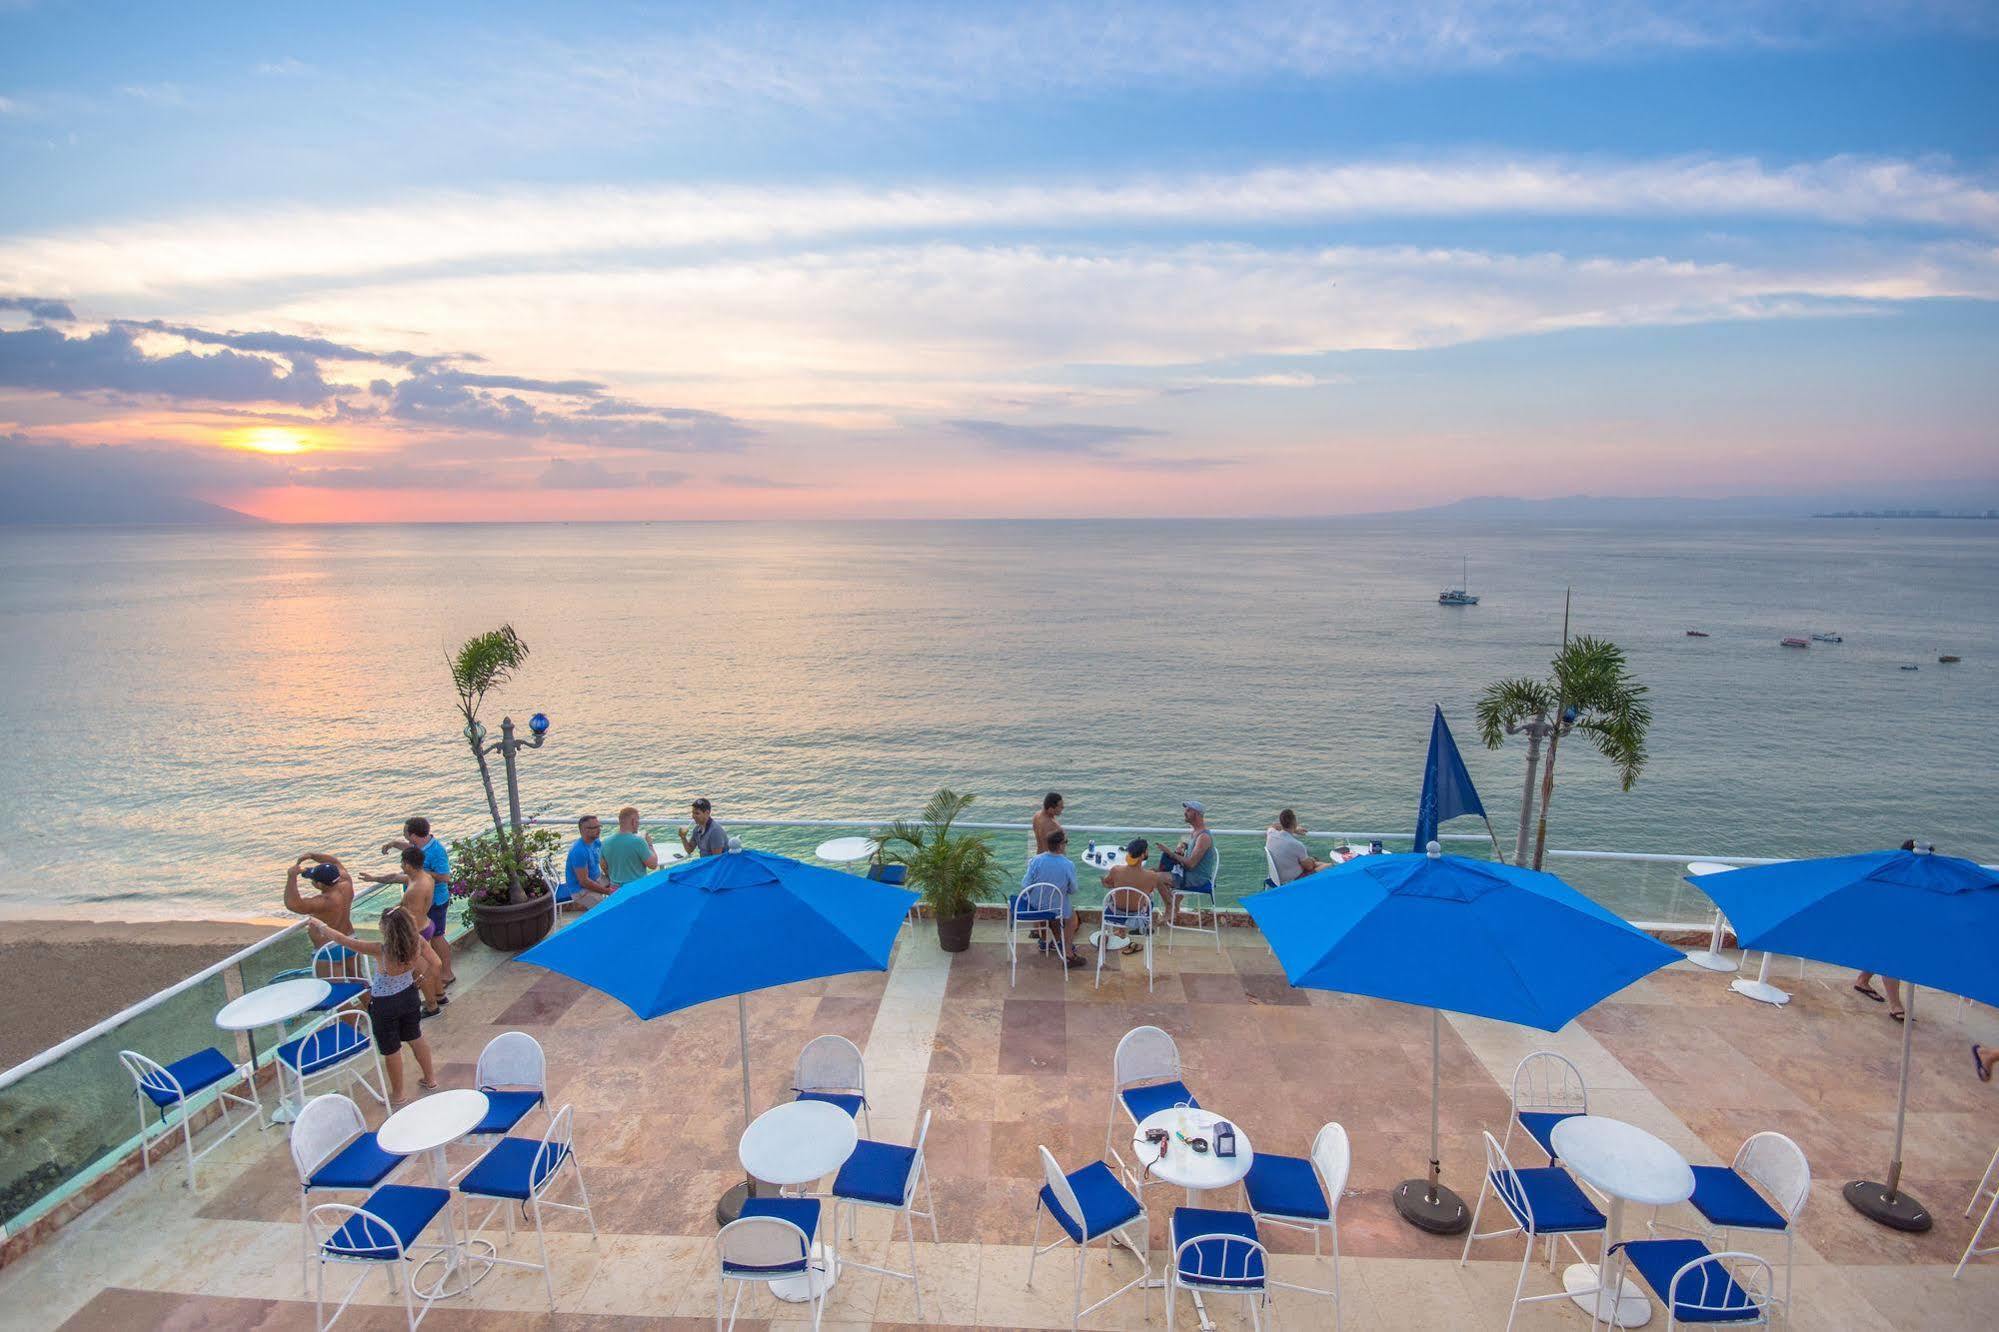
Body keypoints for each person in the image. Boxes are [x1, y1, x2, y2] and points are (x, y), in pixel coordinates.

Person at [308, 909, 439, 1106]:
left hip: (385, 1005)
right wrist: (421, 978)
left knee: (391, 1049)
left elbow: (344, 940)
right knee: (415, 1037)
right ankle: (430, 1079)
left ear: (387, 929)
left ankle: (398, 1094)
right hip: (409, 996)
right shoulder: (417, 942)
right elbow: (436, 963)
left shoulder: (381, 950)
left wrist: (321, 926)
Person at [359, 847, 449, 1015]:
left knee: (421, 972)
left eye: (402, 863)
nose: (401, 866)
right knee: (428, 966)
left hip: (417, 932)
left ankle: (432, 1006)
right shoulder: (422, 877)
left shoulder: (415, 888)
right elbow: (394, 878)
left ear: (408, 865)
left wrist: (392, 912)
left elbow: (408, 915)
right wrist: (373, 878)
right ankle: (440, 995)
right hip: (427, 925)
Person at [381, 817, 454, 988]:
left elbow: (445, 877)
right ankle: (431, 974)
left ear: (413, 835)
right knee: (426, 938)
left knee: (437, 937)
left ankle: (447, 973)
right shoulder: (417, 846)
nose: (404, 837)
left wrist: (419, 873)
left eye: (405, 833)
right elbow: (407, 847)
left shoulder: (437, 851)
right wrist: (392, 844)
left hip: (435, 901)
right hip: (422, 903)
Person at [1855, 840, 1916, 1021]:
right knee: (1891, 959)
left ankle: (1862, 980)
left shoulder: (1902, 872)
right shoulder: (1896, 872)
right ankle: (1895, 1005)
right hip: (1887, 922)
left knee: (1883, 953)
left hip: (1890, 921)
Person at [284, 854, 357, 975]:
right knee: (360, 981)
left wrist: (291, 877)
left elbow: (292, 904)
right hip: (350, 940)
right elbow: (334, 861)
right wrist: (311, 855)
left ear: (320, 885)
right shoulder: (346, 883)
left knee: (332, 988)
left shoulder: (323, 902)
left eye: (313, 880)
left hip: (328, 949)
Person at [1022, 827, 1085, 967]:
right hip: (1056, 906)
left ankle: (1045, 942)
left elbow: (1025, 884)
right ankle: (1068, 953)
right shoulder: (1068, 865)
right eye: (1066, 842)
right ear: (1061, 845)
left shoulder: (1035, 860)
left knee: (1044, 906)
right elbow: (1073, 890)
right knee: (1071, 918)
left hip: (1036, 904)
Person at [1100, 838, 1173, 954]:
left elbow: (1107, 884)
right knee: (1149, 896)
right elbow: (1165, 899)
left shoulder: (1116, 870)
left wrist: (1104, 881)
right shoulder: (1152, 876)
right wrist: (1167, 913)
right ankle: (1143, 929)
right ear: (1143, 855)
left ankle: (1120, 931)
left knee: (1118, 893)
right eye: (1147, 850)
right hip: (1137, 917)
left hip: (1114, 913)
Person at [1159, 800, 1219, 916]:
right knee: (1155, 871)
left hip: (1197, 879)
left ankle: (1171, 908)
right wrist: (1183, 846)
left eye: (1188, 810)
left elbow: (1191, 864)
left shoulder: (1204, 837)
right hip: (1189, 874)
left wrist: (1169, 852)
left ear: (1196, 814)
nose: (1185, 813)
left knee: (1157, 878)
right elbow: (1192, 850)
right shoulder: (1195, 832)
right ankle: (1174, 903)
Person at [601, 806, 659, 894]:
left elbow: (603, 866)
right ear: (633, 821)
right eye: (638, 821)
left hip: (615, 890)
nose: (638, 824)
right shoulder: (638, 842)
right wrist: (650, 844)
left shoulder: (605, 842)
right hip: (636, 889)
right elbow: (653, 865)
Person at [567, 814, 614, 906]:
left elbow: (605, 858)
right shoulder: (579, 851)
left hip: (597, 879)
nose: (599, 830)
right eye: (595, 827)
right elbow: (584, 881)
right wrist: (607, 891)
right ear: (584, 830)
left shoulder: (595, 842)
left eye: (599, 826)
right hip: (581, 890)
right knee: (604, 908)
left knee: (621, 883)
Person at [1265, 809, 1321, 884]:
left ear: (1281, 822)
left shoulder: (1271, 834)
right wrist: (1312, 860)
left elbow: (1273, 826)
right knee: (1328, 866)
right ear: (1294, 823)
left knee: (1315, 862)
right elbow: (1309, 867)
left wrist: (1294, 830)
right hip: (1291, 881)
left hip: (1274, 877)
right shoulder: (1297, 844)